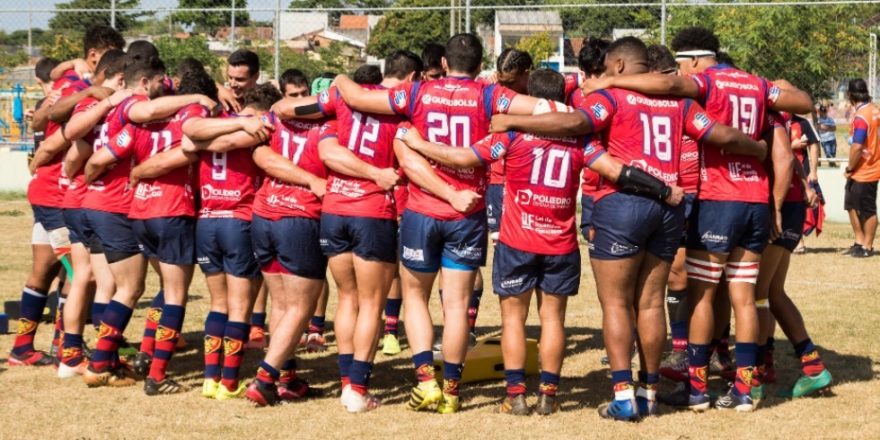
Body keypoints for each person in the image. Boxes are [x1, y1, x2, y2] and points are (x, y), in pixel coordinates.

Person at [490, 36, 769, 420]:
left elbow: (574, 122)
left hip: (621, 205)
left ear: (619, 66)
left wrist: (513, 120)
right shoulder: (679, 103)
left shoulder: (612, 97)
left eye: (607, 66)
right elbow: (721, 134)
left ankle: (623, 397)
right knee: (652, 301)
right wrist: (756, 149)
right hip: (668, 206)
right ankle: (650, 394)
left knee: (617, 303)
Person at [582, 27, 813, 412]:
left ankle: (697, 390)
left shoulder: (703, 82)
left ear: (690, 61)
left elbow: (672, 90)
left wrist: (612, 80)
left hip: (718, 197)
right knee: (746, 298)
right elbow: (802, 101)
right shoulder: (756, 83)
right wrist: (760, 158)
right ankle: (743, 389)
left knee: (702, 295)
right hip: (754, 197)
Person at [331, 33, 542, 414]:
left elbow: (358, 98)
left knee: (415, 297)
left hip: (421, 210)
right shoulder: (489, 95)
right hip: (467, 212)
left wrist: (340, 80)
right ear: (480, 66)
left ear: (444, 63)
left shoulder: (417, 93)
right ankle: (453, 390)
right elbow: (543, 108)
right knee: (457, 305)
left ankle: (426, 382)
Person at [81, 55, 215, 388]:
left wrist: (97, 180)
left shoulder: (136, 126)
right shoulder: (189, 116)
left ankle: (115, 359)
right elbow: (190, 150)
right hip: (173, 211)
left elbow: (97, 159)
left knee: (149, 288)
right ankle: (156, 375)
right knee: (173, 295)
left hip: (140, 214)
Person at [9, 26, 124, 367]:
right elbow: (47, 121)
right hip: (56, 192)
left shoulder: (76, 81)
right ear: (95, 56)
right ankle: (68, 346)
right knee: (80, 273)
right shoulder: (77, 86)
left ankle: (23, 347)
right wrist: (47, 153)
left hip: (52, 190)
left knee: (45, 270)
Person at [313, 53, 421, 412]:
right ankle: (357, 390)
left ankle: (347, 383)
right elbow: (407, 159)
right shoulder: (400, 109)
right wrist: (377, 174)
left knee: (347, 298)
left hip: (334, 209)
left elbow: (327, 152)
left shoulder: (343, 100)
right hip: (372, 212)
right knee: (372, 304)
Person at [245, 85, 328, 407]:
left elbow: (260, 154)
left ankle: (287, 377)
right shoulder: (331, 124)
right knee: (300, 307)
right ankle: (266, 378)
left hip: (264, 212)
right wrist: (312, 180)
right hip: (300, 216)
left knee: (281, 303)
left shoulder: (275, 119)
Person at [56, 49, 129, 378]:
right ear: (121, 78)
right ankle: (105, 356)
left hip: (74, 200)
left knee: (81, 277)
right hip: (97, 202)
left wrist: (72, 178)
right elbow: (79, 150)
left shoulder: (87, 105)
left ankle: (69, 354)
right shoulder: (116, 107)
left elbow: (71, 152)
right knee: (107, 283)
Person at [843, 78, 879, 258]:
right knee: (850, 203)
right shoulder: (874, 110)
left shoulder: (862, 116)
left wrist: (850, 167)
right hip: (862, 168)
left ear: (850, 95)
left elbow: (857, 146)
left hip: (866, 168)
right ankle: (859, 241)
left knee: (867, 208)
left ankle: (867, 246)